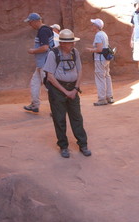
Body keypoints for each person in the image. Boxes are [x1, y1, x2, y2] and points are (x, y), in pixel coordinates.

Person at [43, 29, 91, 158]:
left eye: (73, 42)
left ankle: (83, 144)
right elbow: (50, 77)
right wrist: (66, 92)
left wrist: (75, 89)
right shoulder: (53, 54)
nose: (73, 45)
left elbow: (79, 71)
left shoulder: (75, 53)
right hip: (58, 90)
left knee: (77, 117)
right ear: (63, 43)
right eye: (70, 43)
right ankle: (63, 146)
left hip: (73, 88)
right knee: (59, 118)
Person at [23, 13, 54, 113]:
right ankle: (34, 104)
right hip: (42, 64)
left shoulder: (43, 31)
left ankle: (56, 109)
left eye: (30, 22)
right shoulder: (46, 29)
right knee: (34, 83)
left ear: (36, 21)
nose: (30, 25)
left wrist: (33, 51)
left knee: (49, 87)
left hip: (45, 64)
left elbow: (45, 47)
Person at [86, 18, 114, 106]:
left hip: (100, 59)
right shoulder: (104, 34)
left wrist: (90, 50)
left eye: (93, 24)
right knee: (106, 76)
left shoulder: (98, 35)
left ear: (96, 26)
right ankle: (109, 97)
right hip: (105, 59)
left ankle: (102, 99)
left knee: (100, 77)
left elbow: (99, 49)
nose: (92, 26)